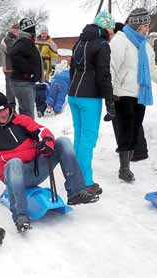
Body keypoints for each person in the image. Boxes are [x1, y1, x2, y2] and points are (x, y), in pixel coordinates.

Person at [0, 92, 99, 233]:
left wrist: (48, 142)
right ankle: (21, 216)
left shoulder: (21, 120)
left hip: (37, 169)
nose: (3, 114)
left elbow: (42, 131)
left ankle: (76, 192)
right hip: (14, 175)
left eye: (5, 109)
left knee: (63, 142)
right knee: (14, 162)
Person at [110, 8, 157, 182]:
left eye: (148, 25)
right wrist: (110, 93)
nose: (147, 29)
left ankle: (128, 163)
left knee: (134, 129)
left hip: (139, 94)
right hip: (122, 94)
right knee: (126, 130)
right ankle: (124, 168)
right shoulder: (121, 41)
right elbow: (111, 67)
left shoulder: (145, 46)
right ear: (135, 25)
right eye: (144, 25)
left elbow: (153, 70)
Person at [68, 11, 116, 196]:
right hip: (89, 98)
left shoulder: (79, 42)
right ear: (105, 27)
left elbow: (73, 71)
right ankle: (85, 182)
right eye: (111, 29)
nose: (112, 33)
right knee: (88, 140)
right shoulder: (102, 45)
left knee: (79, 137)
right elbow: (104, 76)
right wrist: (110, 103)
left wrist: (73, 90)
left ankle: (74, 176)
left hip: (74, 95)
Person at [111, 22, 149, 162]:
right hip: (132, 90)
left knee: (124, 123)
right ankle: (138, 151)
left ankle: (133, 153)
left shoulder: (122, 41)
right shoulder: (134, 42)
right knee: (133, 122)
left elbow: (114, 68)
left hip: (123, 90)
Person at [11, 18, 43, 118]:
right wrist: (29, 71)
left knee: (26, 111)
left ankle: (26, 132)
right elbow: (14, 55)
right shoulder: (24, 42)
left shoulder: (25, 41)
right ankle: (28, 133)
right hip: (23, 83)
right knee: (27, 113)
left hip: (25, 82)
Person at [0, 24, 20, 109]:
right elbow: (11, 52)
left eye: (18, 30)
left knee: (15, 87)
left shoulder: (15, 39)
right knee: (10, 88)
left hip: (15, 67)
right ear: (11, 30)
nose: (17, 32)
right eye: (15, 30)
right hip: (9, 67)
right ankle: (11, 107)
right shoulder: (8, 39)